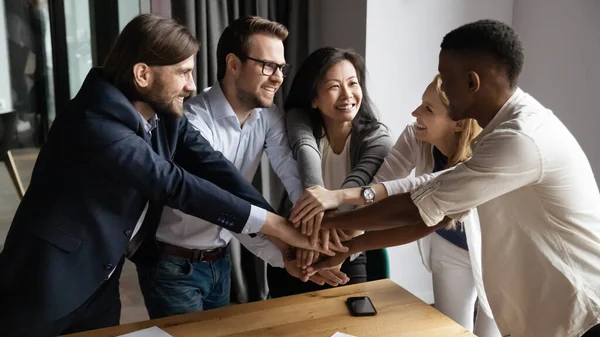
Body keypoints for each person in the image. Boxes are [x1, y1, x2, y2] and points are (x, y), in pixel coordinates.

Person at [0, 14, 324, 337]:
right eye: (183, 72)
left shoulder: (164, 113)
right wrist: (274, 225)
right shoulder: (95, 120)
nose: (192, 85)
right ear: (142, 74)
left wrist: (273, 227)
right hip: (43, 280)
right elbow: (173, 184)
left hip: (101, 276)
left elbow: (214, 167)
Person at [300, 19, 600, 337]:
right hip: (547, 313)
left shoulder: (519, 138)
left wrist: (327, 224)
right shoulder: (503, 130)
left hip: (581, 314)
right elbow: (430, 214)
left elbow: (417, 206)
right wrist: (349, 245)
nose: (441, 87)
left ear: (472, 82)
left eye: (446, 78)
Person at [135, 16, 347, 319]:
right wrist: (285, 244)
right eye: (268, 66)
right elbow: (224, 201)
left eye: (281, 68)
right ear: (233, 64)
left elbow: (289, 170)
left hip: (220, 260)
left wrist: (312, 225)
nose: (278, 77)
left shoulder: (269, 116)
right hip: (173, 265)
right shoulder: (193, 121)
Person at [291, 74, 501, 336]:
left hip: (497, 254)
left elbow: (417, 189)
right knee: (452, 330)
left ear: (458, 123)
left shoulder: (484, 155)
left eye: (428, 109)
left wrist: (338, 197)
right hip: (448, 245)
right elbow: (385, 186)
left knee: (490, 332)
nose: (415, 113)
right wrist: (343, 249)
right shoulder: (415, 135)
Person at [267, 47, 393, 297]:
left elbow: (354, 189)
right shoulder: (299, 122)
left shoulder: (377, 138)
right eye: (334, 86)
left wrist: (322, 242)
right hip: (298, 246)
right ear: (313, 97)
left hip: (347, 248)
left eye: (353, 83)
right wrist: (309, 240)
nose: (347, 95)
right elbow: (308, 164)